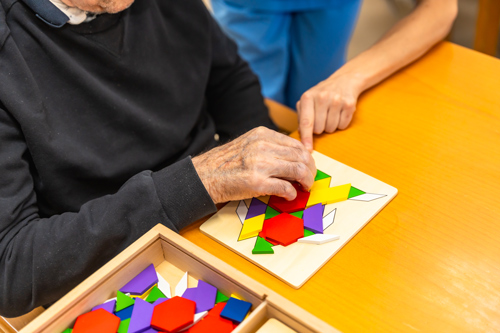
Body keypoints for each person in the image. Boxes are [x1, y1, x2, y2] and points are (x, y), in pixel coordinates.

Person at [0, 0, 317, 316]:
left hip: (223, 217)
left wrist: (263, 154)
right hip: (113, 270)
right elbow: (10, 270)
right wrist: (199, 180)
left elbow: (228, 78)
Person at [211, 0, 458, 151]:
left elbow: (440, 7)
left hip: (331, 4)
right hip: (249, 4)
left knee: (317, 113)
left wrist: (350, 77)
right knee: (252, 109)